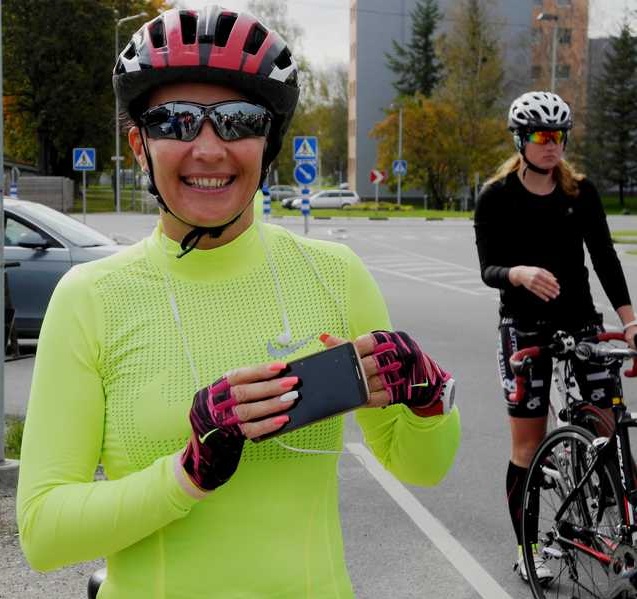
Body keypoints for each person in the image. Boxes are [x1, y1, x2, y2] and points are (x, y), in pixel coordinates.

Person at [16, 6, 461, 598]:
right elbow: (43, 534)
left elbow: (423, 468)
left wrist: (430, 398)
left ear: (267, 143)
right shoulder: (90, 298)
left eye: (238, 121)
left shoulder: (335, 275)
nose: (208, 149)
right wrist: (187, 473)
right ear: (139, 145)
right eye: (174, 122)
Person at [474, 90, 637, 583]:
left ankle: (606, 522)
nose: (552, 145)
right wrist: (518, 273)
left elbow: (604, 258)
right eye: (542, 136)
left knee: (608, 428)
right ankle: (528, 549)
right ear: (520, 140)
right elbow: (488, 268)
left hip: (581, 321)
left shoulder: (579, 192)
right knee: (527, 444)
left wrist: (630, 321)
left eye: (559, 136)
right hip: (524, 328)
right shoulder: (496, 196)